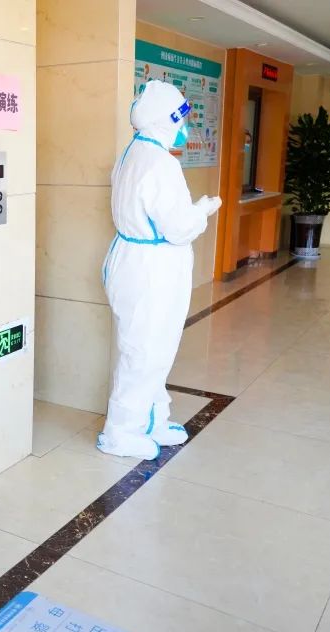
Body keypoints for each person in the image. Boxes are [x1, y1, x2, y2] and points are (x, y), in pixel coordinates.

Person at [98, 80, 222, 461]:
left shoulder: (132, 153)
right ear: (165, 120)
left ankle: (151, 420)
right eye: (180, 118)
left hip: (133, 261)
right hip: (150, 270)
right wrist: (201, 211)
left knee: (151, 350)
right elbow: (178, 226)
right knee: (145, 352)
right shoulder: (160, 163)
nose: (185, 126)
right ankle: (120, 432)